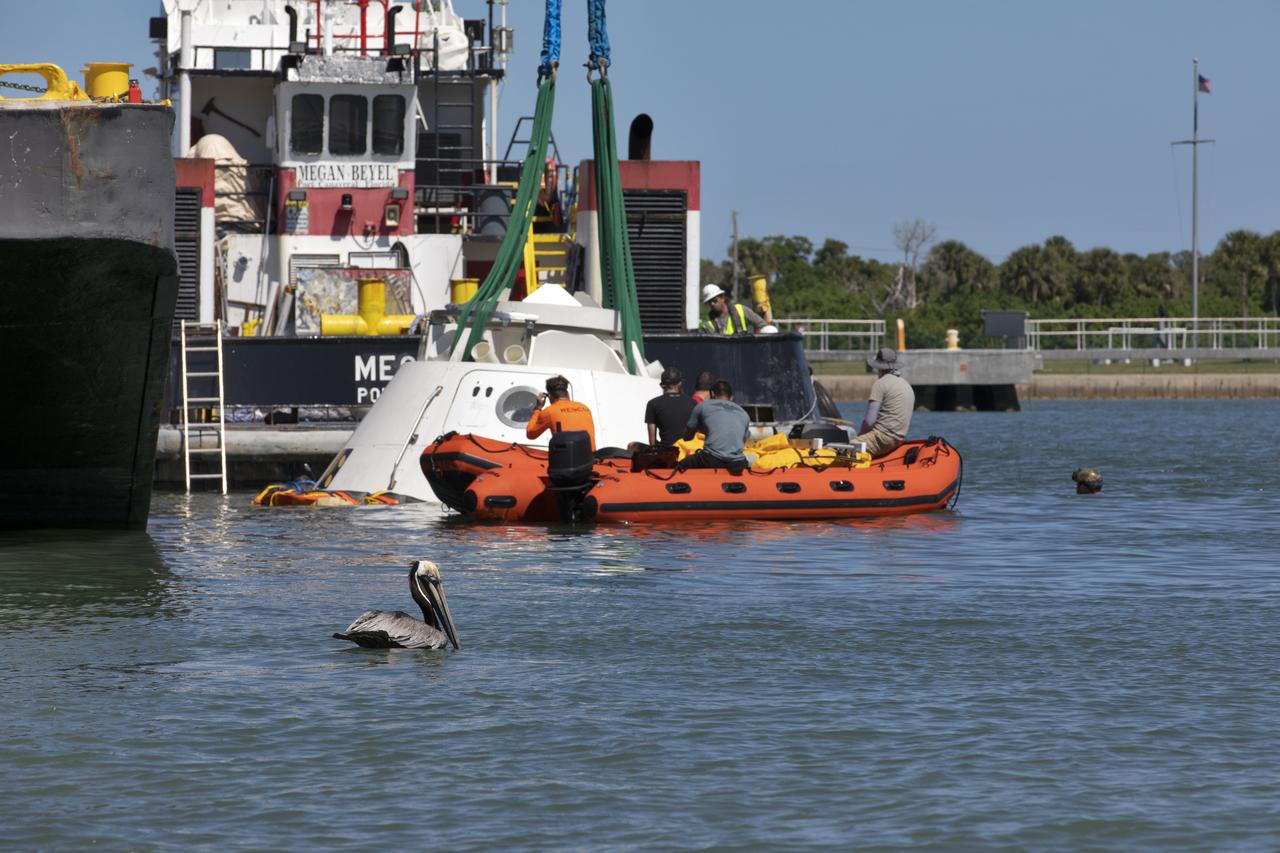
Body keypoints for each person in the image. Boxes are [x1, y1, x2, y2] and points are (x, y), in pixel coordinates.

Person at [856, 348, 915, 458]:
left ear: (879, 367)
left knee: (842, 448)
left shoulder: (880, 383)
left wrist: (860, 436)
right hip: (899, 439)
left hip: (882, 438)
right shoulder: (906, 384)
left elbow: (869, 421)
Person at [680, 379, 751, 471]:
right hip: (737, 463)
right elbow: (742, 441)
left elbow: (687, 437)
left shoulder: (702, 406)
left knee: (682, 465)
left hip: (711, 460)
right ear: (732, 397)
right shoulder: (744, 413)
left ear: (712, 394)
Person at [526, 375, 596, 449]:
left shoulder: (550, 411)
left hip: (568, 458)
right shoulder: (584, 407)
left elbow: (530, 434)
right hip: (591, 457)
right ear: (567, 393)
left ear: (550, 396)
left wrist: (538, 408)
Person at [644, 368, 696, 447]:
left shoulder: (653, 404)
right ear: (680, 384)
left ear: (662, 385)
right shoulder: (693, 403)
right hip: (688, 451)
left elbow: (652, 442)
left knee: (633, 445)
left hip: (668, 453)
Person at [698, 284, 766, 335]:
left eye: (715, 300)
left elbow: (763, 325)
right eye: (709, 302)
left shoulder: (740, 310)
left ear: (723, 298)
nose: (712, 304)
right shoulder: (707, 323)